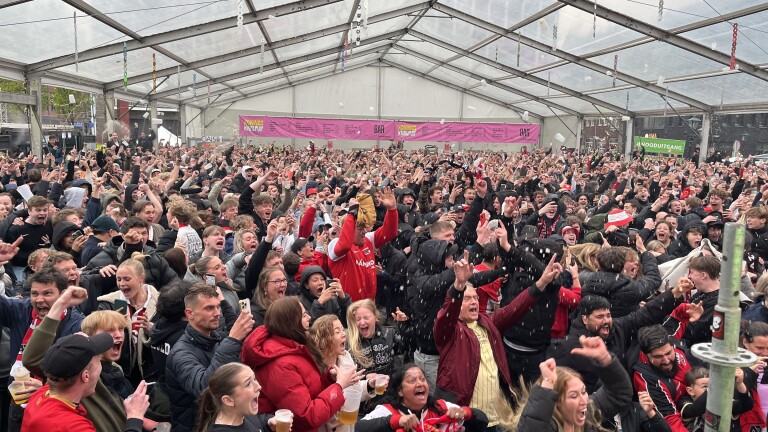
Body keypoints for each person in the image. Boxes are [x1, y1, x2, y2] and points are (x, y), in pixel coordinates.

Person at [241, 297, 363, 432]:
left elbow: (308, 386)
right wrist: (338, 386)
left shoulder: (294, 348)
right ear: (292, 322)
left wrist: (329, 377)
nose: (309, 317)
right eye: (304, 315)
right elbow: (306, 417)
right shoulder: (280, 364)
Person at [166, 284, 255, 432]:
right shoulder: (180, 354)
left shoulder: (217, 338)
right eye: (209, 308)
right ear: (190, 313)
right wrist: (232, 340)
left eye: (218, 307)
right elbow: (204, 387)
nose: (217, 313)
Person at [21, 331, 150, 432]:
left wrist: (76, 343)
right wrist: (135, 418)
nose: (101, 368)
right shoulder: (72, 426)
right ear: (86, 376)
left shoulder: (41, 395)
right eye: (99, 362)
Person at [502, 336, 633, 432]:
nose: (584, 401)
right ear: (556, 402)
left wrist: (604, 358)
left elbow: (619, 394)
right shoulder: (548, 426)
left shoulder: (588, 413)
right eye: (574, 396)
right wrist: (547, 384)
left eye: (583, 392)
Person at [357, 364, 488, 432]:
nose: (420, 383)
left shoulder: (440, 407)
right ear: (400, 391)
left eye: (422, 379)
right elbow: (356, 429)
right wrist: (395, 421)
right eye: (412, 381)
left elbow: (483, 422)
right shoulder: (388, 411)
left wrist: (466, 413)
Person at [328, 189, 399, 302]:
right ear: (349, 228)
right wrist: (352, 213)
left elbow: (390, 232)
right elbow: (345, 245)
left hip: (369, 307)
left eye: (365, 227)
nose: (365, 231)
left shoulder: (368, 240)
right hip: (349, 309)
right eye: (360, 228)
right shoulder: (334, 244)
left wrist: (391, 210)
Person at [97, 258, 160, 387]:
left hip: (152, 375)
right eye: (118, 279)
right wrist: (115, 325)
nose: (121, 284)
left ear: (141, 278)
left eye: (127, 279)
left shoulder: (160, 303)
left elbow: (168, 335)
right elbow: (97, 336)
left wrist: (151, 330)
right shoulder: (108, 304)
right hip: (121, 376)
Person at [310, 315, 379, 425]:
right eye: (337, 332)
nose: (344, 334)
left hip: (346, 425)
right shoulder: (313, 366)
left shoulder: (345, 357)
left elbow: (352, 392)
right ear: (325, 338)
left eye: (343, 329)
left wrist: (369, 384)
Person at [194, 362, 286, 432]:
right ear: (228, 400)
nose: (259, 387)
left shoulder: (241, 414)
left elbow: (258, 421)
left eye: (254, 379)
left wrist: (268, 423)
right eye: (248, 384)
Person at [346, 299, 409, 377]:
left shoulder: (389, 333)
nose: (362, 323)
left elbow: (408, 349)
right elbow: (347, 376)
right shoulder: (348, 342)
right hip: (363, 388)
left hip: (389, 386)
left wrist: (403, 325)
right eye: (358, 319)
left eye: (366, 318)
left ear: (375, 317)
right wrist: (366, 379)